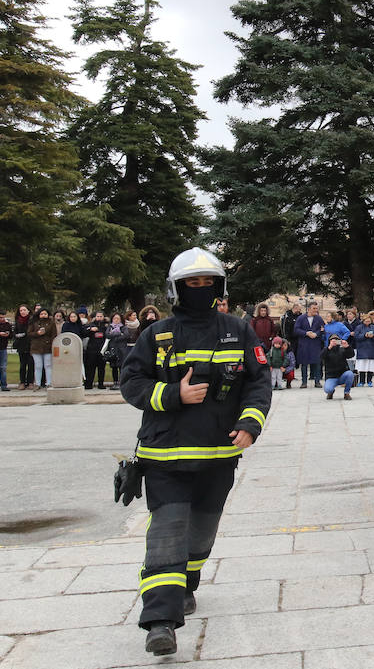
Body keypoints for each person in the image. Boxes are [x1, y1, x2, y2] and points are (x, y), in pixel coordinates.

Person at [120, 247, 271, 657]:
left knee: (201, 535)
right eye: (192, 283)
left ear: (219, 287)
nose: (201, 290)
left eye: (208, 283)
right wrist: (174, 394)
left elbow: (258, 381)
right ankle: (160, 622)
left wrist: (250, 424)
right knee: (167, 536)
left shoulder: (239, 330)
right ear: (177, 288)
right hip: (166, 457)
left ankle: (185, 585)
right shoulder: (158, 334)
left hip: (219, 456)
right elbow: (131, 383)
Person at [294, 301, 325, 388]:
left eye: (316, 308)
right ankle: (304, 382)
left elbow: (323, 329)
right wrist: (306, 333)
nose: (315, 310)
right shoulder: (301, 318)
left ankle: (317, 381)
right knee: (304, 364)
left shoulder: (319, 319)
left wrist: (317, 334)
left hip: (315, 344)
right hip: (304, 344)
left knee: (317, 363)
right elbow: (296, 330)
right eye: (314, 308)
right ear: (308, 309)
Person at [28, 307, 56, 391]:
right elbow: (29, 333)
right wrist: (37, 333)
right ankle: (37, 383)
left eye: (45, 314)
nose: (43, 315)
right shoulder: (34, 322)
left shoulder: (51, 323)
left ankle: (49, 383)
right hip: (36, 347)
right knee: (38, 366)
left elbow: (54, 335)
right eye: (42, 314)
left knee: (48, 365)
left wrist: (52, 345)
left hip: (47, 347)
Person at [321, 334, 354, 400]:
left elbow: (351, 355)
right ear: (329, 341)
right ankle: (331, 392)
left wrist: (347, 347)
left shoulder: (342, 349)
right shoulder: (326, 350)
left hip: (342, 375)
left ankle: (346, 393)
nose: (335, 342)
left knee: (350, 374)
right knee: (328, 389)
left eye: (336, 340)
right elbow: (321, 356)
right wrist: (329, 347)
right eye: (333, 340)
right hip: (331, 377)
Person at [353, 313, 374, 387]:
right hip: (362, 349)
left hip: (372, 349)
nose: (367, 322)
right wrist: (364, 336)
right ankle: (362, 381)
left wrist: (373, 336)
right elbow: (356, 337)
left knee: (370, 367)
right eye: (366, 321)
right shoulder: (359, 327)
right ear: (363, 321)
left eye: (369, 321)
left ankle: (369, 381)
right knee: (362, 367)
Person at [84, 311, 108, 390]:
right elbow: (84, 332)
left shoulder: (106, 326)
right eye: (98, 316)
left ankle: (101, 384)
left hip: (102, 350)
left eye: (101, 316)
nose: (99, 318)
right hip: (92, 350)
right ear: (95, 317)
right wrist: (90, 329)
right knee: (90, 368)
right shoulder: (91, 325)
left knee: (101, 368)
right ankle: (89, 383)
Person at [106, 313, 129, 390]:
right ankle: (115, 382)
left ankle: (121, 382)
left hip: (121, 350)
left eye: (118, 318)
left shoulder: (123, 327)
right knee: (114, 367)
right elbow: (107, 335)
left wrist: (115, 334)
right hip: (113, 349)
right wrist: (119, 334)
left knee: (121, 366)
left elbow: (126, 335)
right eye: (115, 318)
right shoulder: (110, 327)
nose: (116, 320)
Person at [13, 304, 34, 389]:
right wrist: (17, 335)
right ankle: (22, 382)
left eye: (24, 310)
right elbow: (14, 332)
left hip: (30, 344)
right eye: (21, 310)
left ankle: (30, 382)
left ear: (28, 311)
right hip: (21, 345)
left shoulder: (32, 320)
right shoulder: (17, 321)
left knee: (31, 364)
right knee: (22, 365)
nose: (23, 312)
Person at [0, 310, 12, 391]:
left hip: (3, 348)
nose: (2, 319)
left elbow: (11, 335)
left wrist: (8, 334)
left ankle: (3, 385)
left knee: (3, 367)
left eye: (3, 317)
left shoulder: (7, 324)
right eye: (0, 317)